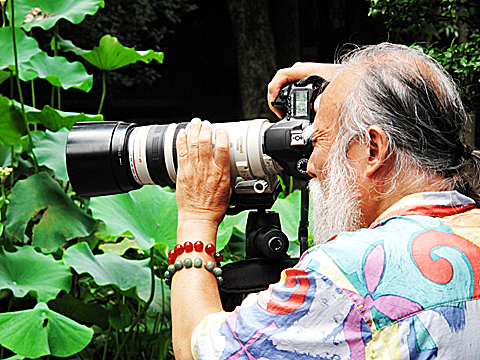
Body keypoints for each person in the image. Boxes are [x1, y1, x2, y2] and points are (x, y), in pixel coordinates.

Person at [171, 43, 480, 360]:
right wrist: (365, 81)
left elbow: (199, 351)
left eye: (317, 140)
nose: (310, 165)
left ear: (372, 150)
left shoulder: (346, 277)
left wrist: (196, 218)